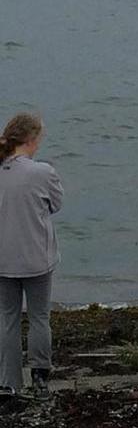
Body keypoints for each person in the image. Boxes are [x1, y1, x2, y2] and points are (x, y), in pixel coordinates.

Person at [0, 113, 63, 400]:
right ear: (30, 140)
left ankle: (9, 382)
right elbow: (56, 204)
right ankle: (39, 376)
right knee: (39, 317)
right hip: (37, 257)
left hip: (3, 258)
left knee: (8, 319)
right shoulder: (43, 172)